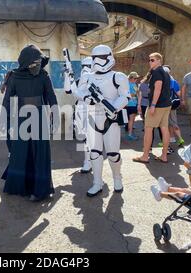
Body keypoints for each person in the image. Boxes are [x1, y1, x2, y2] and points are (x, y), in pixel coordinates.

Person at [0, 44, 59, 202]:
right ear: (26, 62)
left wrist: (56, 115)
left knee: (40, 152)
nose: (37, 65)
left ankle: (40, 190)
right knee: (21, 151)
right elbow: (7, 99)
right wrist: (3, 118)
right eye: (34, 62)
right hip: (22, 117)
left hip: (40, 117)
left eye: (39, 62)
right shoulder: (14, 76)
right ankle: (20, 184)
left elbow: (51, 97)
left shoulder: (43, 76)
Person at [76, 44, 129, 197]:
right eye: (95, 58)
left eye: (101, 58)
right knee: (94, 153)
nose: (98, 62)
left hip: (110, 119)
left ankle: (117, 178)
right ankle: (97, 182)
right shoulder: (88, 76)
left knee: (113, 154)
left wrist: (112, 107)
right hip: (93, 118)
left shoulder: (118, 76)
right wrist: (87, 98)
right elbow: (80, 92)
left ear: (109, 57)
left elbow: (124, 97)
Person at [133, 52, 171, 164]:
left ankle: (145, 156)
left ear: (159, 61)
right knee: (164, 129)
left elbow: (158, 89)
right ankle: (164, 156)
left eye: (153, 60)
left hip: (158, 105)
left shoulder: (157, 72)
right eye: (149, 60)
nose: (150, 62)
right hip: (166, 105)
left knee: (148, 129)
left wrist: (153, 105)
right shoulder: (165, 72)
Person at [64, 56, 93, 173]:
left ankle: (88, 161)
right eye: (84, 66)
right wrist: (67, 74)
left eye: (88, 66)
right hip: (81, 108)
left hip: (94, 109)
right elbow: (68, 90)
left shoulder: (98, 80)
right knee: (82, 136)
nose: (86, 69)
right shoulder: (79, 81)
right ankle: (88, 158)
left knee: (90, 137)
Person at [160, 66, 185, 152]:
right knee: (173, 122)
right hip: (173, 105)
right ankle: (179, 139)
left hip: (164, 105)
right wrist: (181, 101)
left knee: (165, 123)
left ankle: (166, 142)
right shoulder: (174, 81)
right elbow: (178, 93)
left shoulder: (162, 81)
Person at [126, 72, 140, 141]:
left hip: (125, 104)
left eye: (136, 78)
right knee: (131, 120)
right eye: (135, 78)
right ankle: (130, 134)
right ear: (131, 78)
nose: (136, 80)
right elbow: (137, 93)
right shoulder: (133, 84)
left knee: (127, 120)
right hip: (132, 104)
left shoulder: (125, 83)